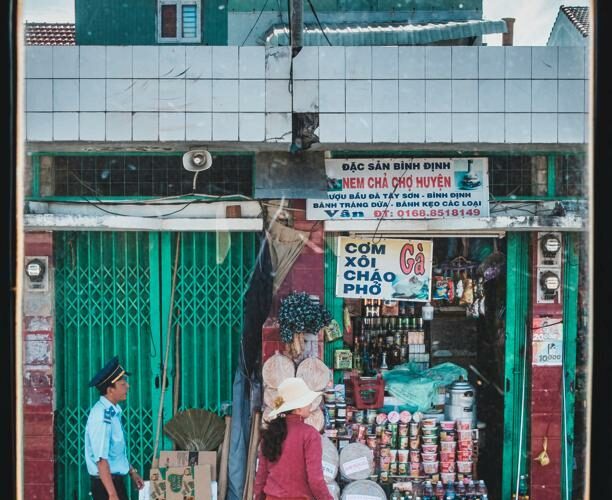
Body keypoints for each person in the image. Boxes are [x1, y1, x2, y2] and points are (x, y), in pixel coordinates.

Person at [253, 376, 333, 500]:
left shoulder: (271, 433)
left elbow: (261, 476)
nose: (311, 405)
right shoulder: (310, 435)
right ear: (298, 409)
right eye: (307, 402)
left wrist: (258, 497)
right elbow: (315, 480)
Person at [84, 356, 145, 500]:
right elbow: (101, 460)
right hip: (105, 486)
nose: (128, 386)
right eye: (123, 384)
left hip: (114, 482)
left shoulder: (113, 411)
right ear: (110, 390)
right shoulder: (101, 416)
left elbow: (114, 453)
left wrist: (132, 472)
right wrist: (112, 495)